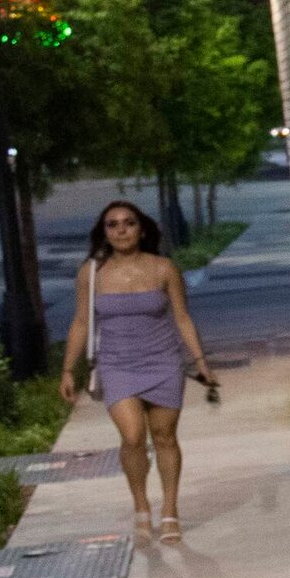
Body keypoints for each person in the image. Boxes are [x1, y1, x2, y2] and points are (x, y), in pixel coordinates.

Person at [60, 200, 213, 544]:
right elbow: (82, 321)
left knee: (164, 437)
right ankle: (141, 506)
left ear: (141, 229)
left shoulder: (163, 269)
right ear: (104, 233)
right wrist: (68, 369)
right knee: (132, 437)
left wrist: (201, 362)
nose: (121, 230)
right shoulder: (92, 273)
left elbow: (183, 317)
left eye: (128, 223)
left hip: (163, 361)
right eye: (112, 225)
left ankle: (170, 510)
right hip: (116, 364)